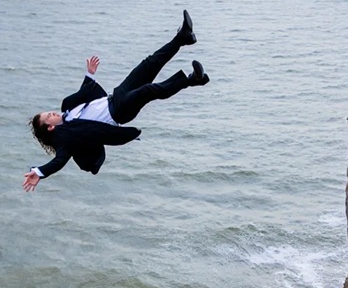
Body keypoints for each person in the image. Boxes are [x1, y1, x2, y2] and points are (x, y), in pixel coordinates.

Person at [23, 10, 209, 192]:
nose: (52, 112)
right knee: (147, 91)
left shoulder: (67, 107)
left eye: (49, 111)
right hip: (119, 111)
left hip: (115, 96)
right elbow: (59, 161)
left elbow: (84, 93)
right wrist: (39, 172)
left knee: (149, 64)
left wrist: (89, 74)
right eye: (49, 116)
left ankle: (183, 37)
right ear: (50, 127)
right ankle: (191, 80)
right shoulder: (66, 139)